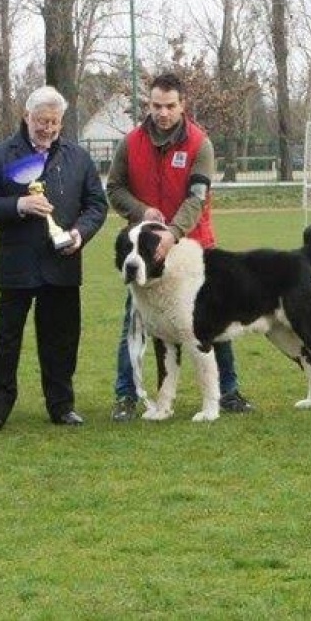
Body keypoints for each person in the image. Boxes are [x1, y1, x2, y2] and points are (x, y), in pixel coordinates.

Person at [106, 71, 251, 421]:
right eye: (156, 105)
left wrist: (172, 232)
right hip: (145, 252)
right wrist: (142, 212)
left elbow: (196, 198)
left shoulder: (200, 144)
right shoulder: (131, 143)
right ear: (149, 105)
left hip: (195, 248)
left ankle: (228, 392)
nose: (163, 112)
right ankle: (127, 395)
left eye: (170, 106)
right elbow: (114, 188)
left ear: (182, 105)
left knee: (213, 321)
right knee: (136, 322)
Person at [0, 86, 108, 431]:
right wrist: (19, 205)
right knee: (7, 337)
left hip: (63, 264)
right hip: (17, 265)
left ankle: (61, 405)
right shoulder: (0, 156)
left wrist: (80, 233)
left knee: (61, 338)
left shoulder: (77, 158)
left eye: (54, 122)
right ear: (26, 117)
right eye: (41, 121)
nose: (47, 128)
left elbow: (96, 205)